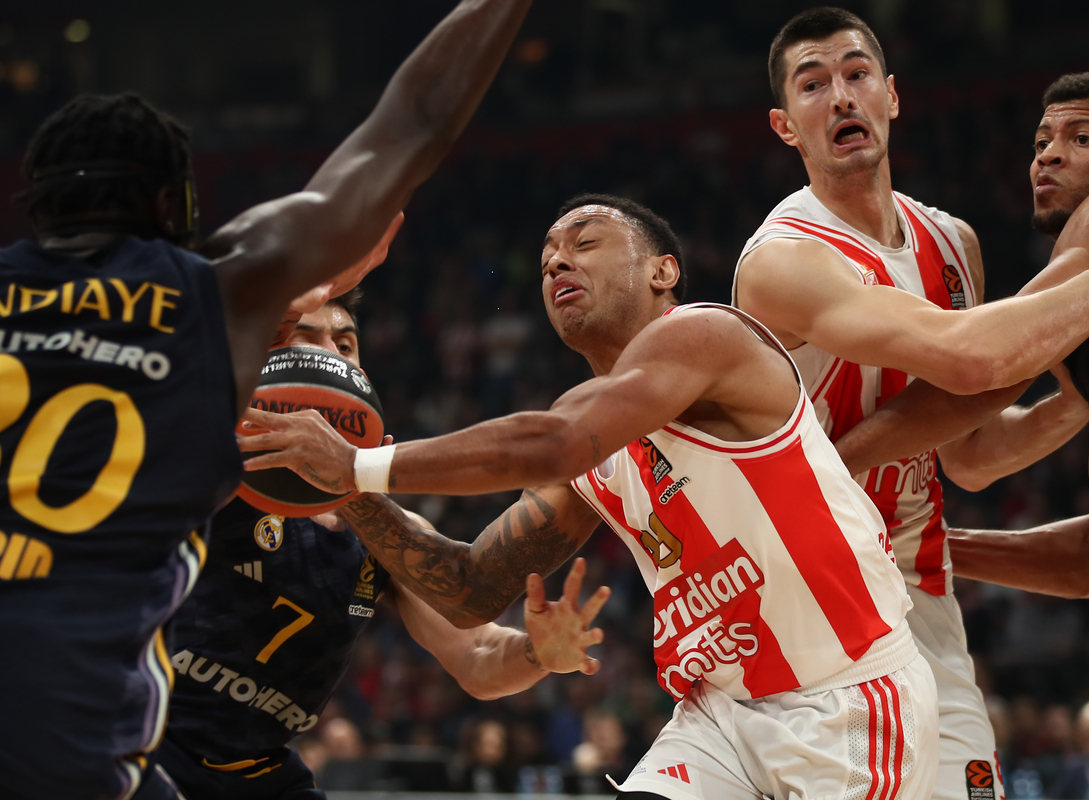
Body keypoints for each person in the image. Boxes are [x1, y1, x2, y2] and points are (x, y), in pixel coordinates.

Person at [240, 194, 942, 800]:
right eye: (547, 253)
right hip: (720, 713)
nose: (556, 262)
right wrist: (341, 485)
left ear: (663, 271)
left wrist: (358, 465)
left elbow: (559, 442)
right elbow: (471, 588)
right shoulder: (586, 421)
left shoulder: (705, 335)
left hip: (846, 699)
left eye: (585, 242)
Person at [0, 1, 533, 798]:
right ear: (172, 212)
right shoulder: (212, 299)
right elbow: (414, 120)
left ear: (35, 209)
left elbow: (475, 644)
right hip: (90, 727)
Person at [728, 10, 1089, 800]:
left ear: (892, 95)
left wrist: (1082, 394)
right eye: (814, 85)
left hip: (918, 597)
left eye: (856, 74)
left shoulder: (956, 242)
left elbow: (969, 451)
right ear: (785, 124)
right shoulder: (784, 259)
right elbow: (976, 368)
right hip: (814, 590)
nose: (840, 97)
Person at [838, 72, 1089, 799]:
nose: (1049, 155)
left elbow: (989, 362)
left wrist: (824, 467)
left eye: (1081, 138)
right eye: (1041, 142)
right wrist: (937, 549)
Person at [159, 291, 609, 798]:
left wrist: (538, 653)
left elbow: (478, 654)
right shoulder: (209, 461)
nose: (329, 352)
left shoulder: (379, 526)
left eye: (346, 345)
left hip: (256, 771)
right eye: (305, 339)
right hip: (136, 740)